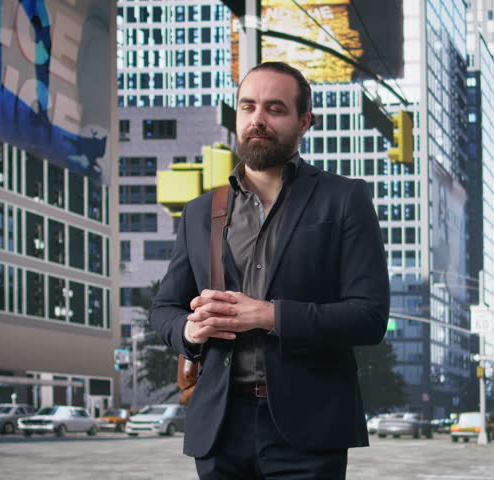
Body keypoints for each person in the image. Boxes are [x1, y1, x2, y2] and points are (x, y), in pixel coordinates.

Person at [149, 61, 390, 479]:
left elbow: (369, 317)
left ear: (304, 123)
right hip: (219, 429)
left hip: (310, 430)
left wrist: (267, 315)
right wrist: (189, 331)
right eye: (248, 107)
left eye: (275, 109)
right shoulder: (200, 212)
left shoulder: (345, 198)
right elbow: (164, 308)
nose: (258, 119)